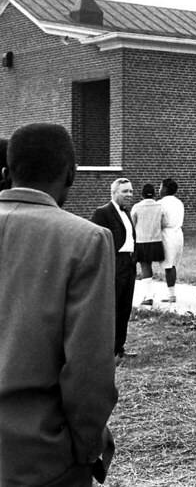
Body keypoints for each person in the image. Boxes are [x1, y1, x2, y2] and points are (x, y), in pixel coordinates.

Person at [0, 123, 117, 487]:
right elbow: (88, 370)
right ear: (71, 173)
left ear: (7, 173)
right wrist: (86, 450)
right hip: (39, 455)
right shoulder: (86, 240)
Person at [91, 177, 137, 361]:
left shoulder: (127, 213)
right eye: (125, 191)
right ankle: (107, 351)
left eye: (131, 191)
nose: (129, 195)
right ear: (114, 193)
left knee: (125, 307)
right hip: (114, 263)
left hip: (128, 264)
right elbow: (97, 241)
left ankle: (119, 348)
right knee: (113, 307)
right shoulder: (103, 213)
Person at [130, 183, 165, 307]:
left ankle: (149, 295)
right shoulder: (160, 206)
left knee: (145, 267)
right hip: (156, 240)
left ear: (142, 194)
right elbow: (163, 222)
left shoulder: (137, 207)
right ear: (154, 194)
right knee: (156, 266)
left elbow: (132, 224)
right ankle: (164, 293)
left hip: (141, 240)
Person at [159, 178, 184, 303]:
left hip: (167, 233)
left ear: (165, 189)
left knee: (168, 264)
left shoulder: (161, 203)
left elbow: (162, 220)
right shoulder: (179, 202)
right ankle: (171, 292)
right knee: (173, 264)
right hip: (178, 233)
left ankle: (171, 294)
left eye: (160, 187)